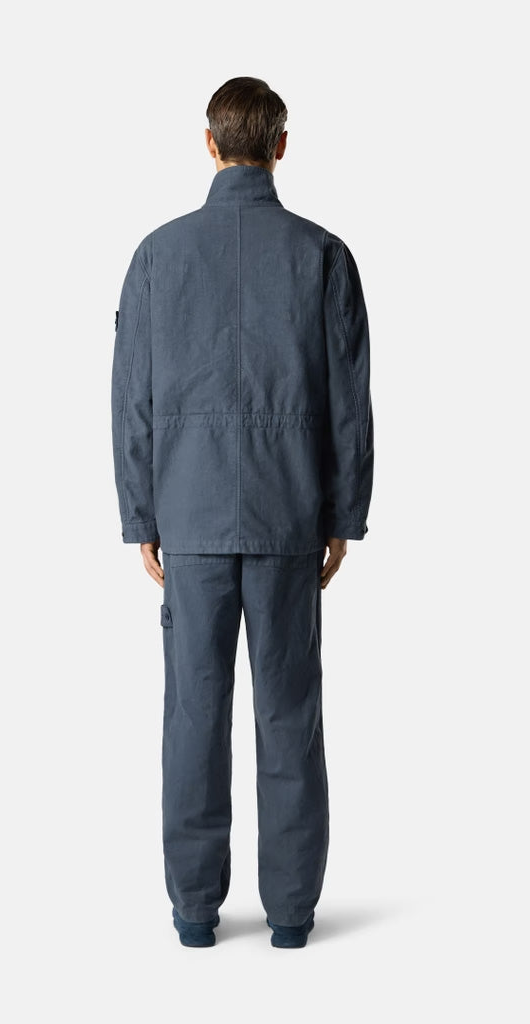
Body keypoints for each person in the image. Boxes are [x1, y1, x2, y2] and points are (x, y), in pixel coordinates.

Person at [110, 76, 374, 949]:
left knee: (193, 717)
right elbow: (350, 402)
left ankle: (195, 915)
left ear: (210, 143)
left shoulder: (158, 255)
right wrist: (344, 515)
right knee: (290, 717)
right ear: (281, 146)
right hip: (289, 513)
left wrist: (142, 515)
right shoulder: (323, 255)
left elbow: (133, 400)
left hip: (187, 520)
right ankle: (292, 918)